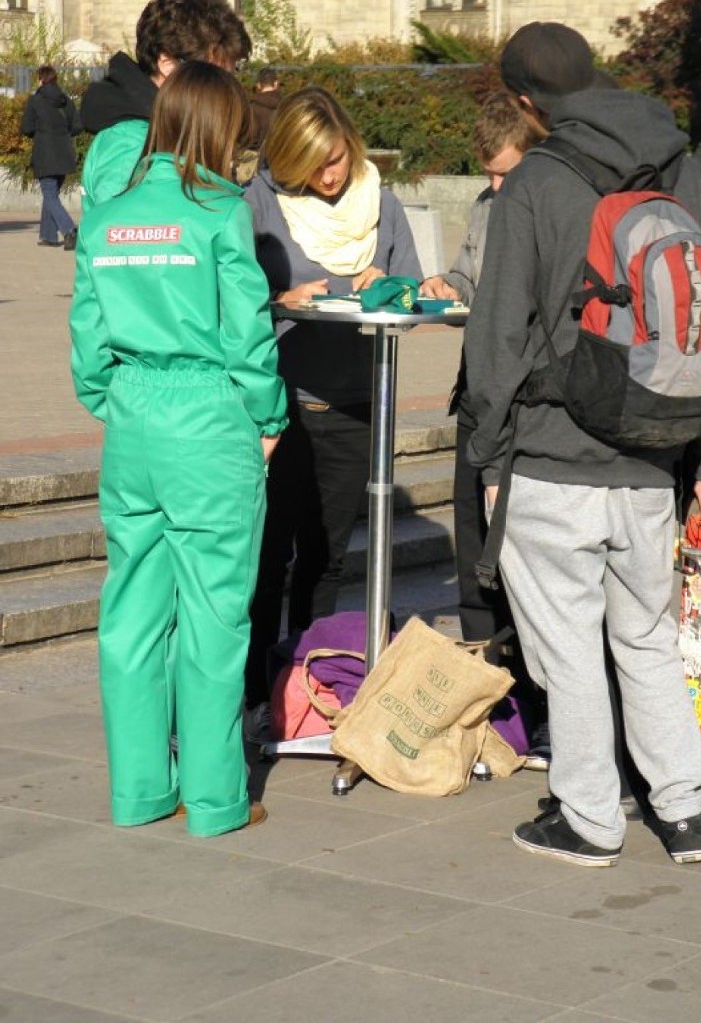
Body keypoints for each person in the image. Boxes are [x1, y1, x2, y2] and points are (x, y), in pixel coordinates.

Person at [464, 22, 701, 866]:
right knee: (647, 635)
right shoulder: (681, 168)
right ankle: (685, 810)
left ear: (523, 101)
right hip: (655, 454)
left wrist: (487, 452)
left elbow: (496, 336)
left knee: (570, 647)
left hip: (554, 459)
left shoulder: (537, 183)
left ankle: (588, 817)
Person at [69, 61, 287, 837]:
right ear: (219, 127)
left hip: (134, 420)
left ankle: (138, 791)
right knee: (213, 615)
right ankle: (217, 798)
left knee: (130, 613)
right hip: (209, 418)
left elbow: (87, 347)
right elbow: (248, 336)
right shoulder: (219, 213)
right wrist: (268, 417)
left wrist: (120, 401)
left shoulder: (108, 215)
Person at [242, 85, 422, 742]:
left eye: (338, 158)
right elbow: (229, 302)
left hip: (355, 406)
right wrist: (282, 298)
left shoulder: (383, 201)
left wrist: (396, 291)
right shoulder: (258, 203)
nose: (331, 174)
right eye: (315, 164)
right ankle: (258, 690)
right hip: (280, 406)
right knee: (270, 557)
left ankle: (308, 685)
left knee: (327, 558)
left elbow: (412, 289)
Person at [420, 92, 547, 752]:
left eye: (506, 173)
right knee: (474, 550)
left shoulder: (547, 210)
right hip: (477, 395)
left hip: (527, 405)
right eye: (488, 175)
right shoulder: (487, 206)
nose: (496, 187)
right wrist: (448, 284)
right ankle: (485, 686)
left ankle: (536, 696)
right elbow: (470, 278)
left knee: (523, 549)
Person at [80, 0, 251, 211]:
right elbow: (124, 232)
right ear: (167, 63)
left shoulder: (172, 126)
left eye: (231, 77)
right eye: (214, 76)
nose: (226, 92)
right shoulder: (130, 142)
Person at [21, 64, 82, 250]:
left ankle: (69, 229)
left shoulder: (35, 100)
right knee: (52, 195)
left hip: (45, 153)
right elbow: (78, 126)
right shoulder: (66, 101)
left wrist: (41, 134)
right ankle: (48, 235)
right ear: (55, 80)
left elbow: (27, 128)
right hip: (63, 153)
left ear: (40, 79)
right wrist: (63, 135)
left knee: (49, 195)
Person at [247, 66, 281, 149]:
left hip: (257, 156)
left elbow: (251, 138)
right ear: (276, 84)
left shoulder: (252, 108)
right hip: (279, 156)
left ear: (258, 85)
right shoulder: (285, 107)